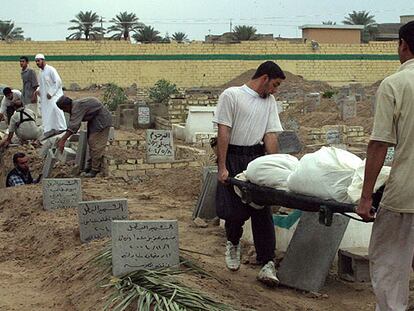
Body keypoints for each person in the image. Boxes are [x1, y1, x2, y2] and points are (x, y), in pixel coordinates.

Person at [357, 21, 414, 310]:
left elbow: (380, 143)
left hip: (406, 196)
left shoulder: (395, 84)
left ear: (403, 45)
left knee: (390, 267)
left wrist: (366, 196)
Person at [213, 61, 285, 286]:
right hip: (233, 155)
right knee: (234, 211)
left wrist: (276, 167)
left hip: (257, 159)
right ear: (264, 78)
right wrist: (222, 166)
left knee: (262, 211)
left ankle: (267, 263)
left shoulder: (270, 102)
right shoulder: (232, 95)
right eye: (274, 84)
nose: (275, 90)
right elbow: (223, 131)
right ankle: (233, 242)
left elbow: (270, 135)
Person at [56, 96, 112, 178]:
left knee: (95, 143)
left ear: (66, 106)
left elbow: (74, 126)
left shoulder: (76, 107)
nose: (65, 111)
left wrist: (63, 140)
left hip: (101, 121)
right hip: (94, 120)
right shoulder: (75, 106)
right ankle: (89, 166)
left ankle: (95, 170)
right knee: (90, 142)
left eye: (64, 109)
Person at [34, 53, 66, 136]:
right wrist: (37, 90)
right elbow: (41, 84)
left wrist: (51, 93)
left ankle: (62, 128)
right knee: (48, 112)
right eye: (36, 61)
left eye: (38, 61)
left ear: (43, 60)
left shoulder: (51, 69)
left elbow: (58, 82)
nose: (37, 63)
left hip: (55, 96)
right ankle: (50, 129)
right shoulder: (40, 72)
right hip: (46, 97)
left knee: (56, 109)